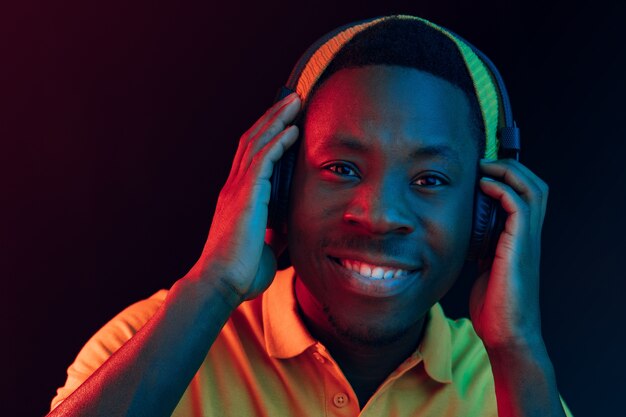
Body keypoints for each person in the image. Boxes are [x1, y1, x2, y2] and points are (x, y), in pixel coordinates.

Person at [48, 15, 574, 416]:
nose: (379, 215)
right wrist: (211, 286)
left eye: (429, 180)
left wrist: (517, 346)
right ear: (277, 184)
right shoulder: (146, 341)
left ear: (487, 215)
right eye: (342, 168)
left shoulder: (509, 382)